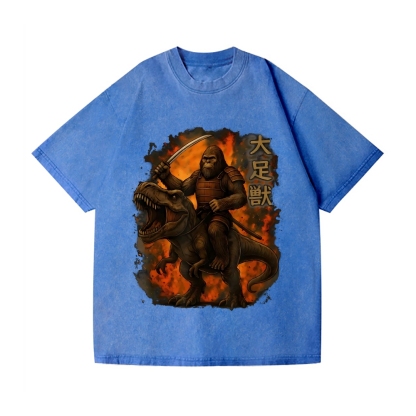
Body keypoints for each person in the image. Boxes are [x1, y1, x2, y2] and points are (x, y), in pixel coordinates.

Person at [154, 145, 247, 270]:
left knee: (214, 230)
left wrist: (222, 203)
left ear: (219, 160)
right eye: (205, 159)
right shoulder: (198, 175)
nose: (207, 162)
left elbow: (241, 197)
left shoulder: (228, 174)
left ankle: (222, 257)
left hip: (219, 216)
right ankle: (175, 256)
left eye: (211, 159)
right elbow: (182, 189)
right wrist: (166, 176)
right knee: (181, 228)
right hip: (199, 215)